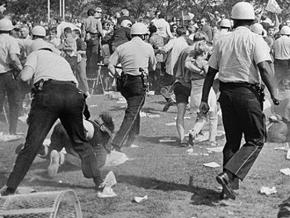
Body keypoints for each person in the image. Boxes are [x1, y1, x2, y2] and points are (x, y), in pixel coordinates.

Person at [0, 39, 103, 196]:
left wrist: (21, 74)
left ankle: (11, 187)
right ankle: (99, 181)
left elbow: (24, 77)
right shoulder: (60, 59)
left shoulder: (35, 54)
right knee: (80, 142)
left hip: (49, 95)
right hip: (73, 95)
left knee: (31, 145)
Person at [199, 2, 279, 200]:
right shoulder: (255, 39)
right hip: (247, 93)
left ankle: (228, 187)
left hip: (226, 94)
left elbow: (210, 73)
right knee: (257, 138)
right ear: (252, 20)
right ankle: (229, 175)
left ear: (233, 20)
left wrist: (204, 99)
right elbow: (265, 69)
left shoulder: (222, 41)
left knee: (232, 140)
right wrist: (274, 93)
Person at [108, 22, 156, 150]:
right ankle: (117, 142)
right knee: (132, 112)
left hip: (125, 82)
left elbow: (110, 65)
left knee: (134, 108)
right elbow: (153, 66)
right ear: (144, 35)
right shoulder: (148, 47)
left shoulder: (122, 47)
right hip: (138, 82)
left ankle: (133, 136)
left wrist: (117, 76)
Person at [0, 18, 23, 137]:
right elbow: (13, 58)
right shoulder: (11, 40)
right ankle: (12, 131)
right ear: (10, 29)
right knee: (13, 103)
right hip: (7, 74)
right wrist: (21, 68)